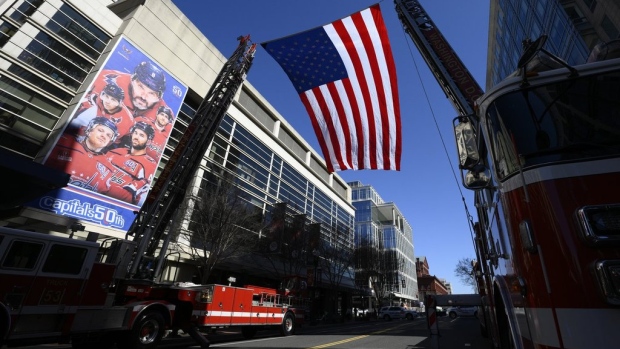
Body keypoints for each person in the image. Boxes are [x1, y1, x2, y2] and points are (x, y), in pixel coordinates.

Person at [45, 117, 119, 193]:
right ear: (89, 131)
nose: (104, 136)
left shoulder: (108, 168)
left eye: (108, 135)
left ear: (110, 142)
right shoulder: (64, 144)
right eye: (100, 130)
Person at [102, 121, 158, 205]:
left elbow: (138, 196)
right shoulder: (115, 151)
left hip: (115, 204)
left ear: (148, 141)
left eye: (141, 135)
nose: (136, 137)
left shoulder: (150, 165)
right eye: (135, 133)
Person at [70, 82, 134, 137]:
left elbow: (112, 140)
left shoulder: (126, 120)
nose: (107, 101)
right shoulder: (96, 100)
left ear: (120, 103)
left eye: (113, 99)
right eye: (106, 96)